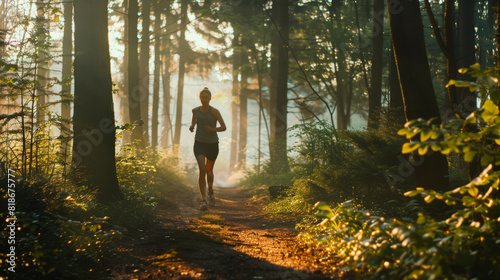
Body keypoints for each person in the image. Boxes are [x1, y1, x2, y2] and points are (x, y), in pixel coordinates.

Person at [189, 87, 226, 211]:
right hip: (199, 143)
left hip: (212, 144)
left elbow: (224, 127)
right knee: (202, 170)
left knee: (209, 171)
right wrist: (192, 126)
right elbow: (194, 121)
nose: (204, 100)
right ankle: (203, 201)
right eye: (202, 97)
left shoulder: (214, 111)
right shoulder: (195, 110)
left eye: (206, 97)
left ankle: (210, 192)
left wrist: (211, 129)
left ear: (210, 98)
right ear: (199, 98)